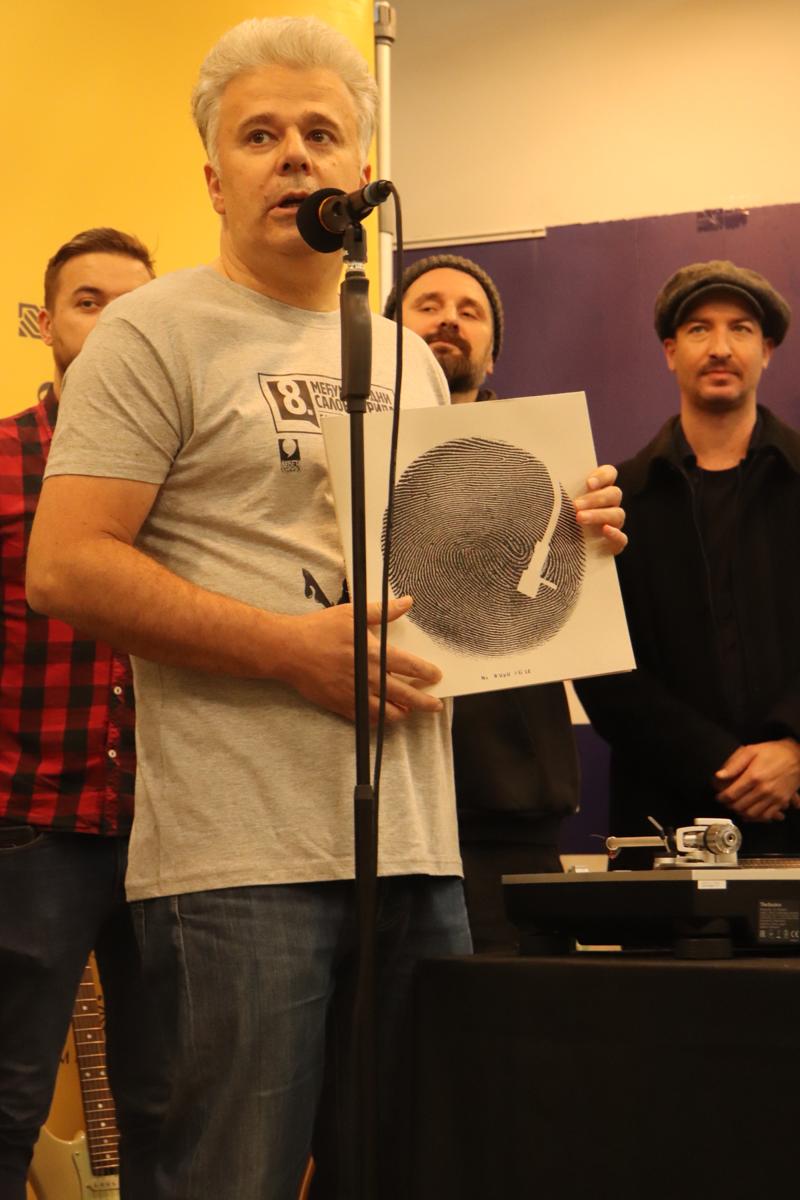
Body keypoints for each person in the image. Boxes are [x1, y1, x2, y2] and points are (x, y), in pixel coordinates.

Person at [27, 23, 626, 1197]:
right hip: (235, 860)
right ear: (214, 177)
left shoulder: (406, 357)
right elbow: (67, 566)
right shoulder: (152, 332)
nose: (294, 156)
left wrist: (558, 537)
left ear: (363, 168)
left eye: (319, 133)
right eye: (259, 135)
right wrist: (283, 650)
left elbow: (433, 576)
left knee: (407, 1168)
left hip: (415, 847)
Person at [385, 254, 627, 950]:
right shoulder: (343, 458)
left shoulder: (555, 471)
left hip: (509, 812)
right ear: (388, 336)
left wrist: (596, 542)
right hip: (378, 810)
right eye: (428, 305)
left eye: (470, 311)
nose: (449, 320)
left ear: (492, 354)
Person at [0, 228, 166, 1199]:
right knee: (8, 1097)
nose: (110, 323)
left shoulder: (187, 466)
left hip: (171, 831)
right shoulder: (3, 458)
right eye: (87, 301)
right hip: (28, 825)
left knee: (165, 1103)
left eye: (131, 305)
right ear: (46, 322)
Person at [576, 259, 800, 864]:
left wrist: (794, 750)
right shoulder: (615, 499)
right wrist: (719, 763)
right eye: (700, 329)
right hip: (665, 825)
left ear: (767, 350)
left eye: (741, 329)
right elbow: (601, 668)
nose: (720, 347)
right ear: (671, 352)